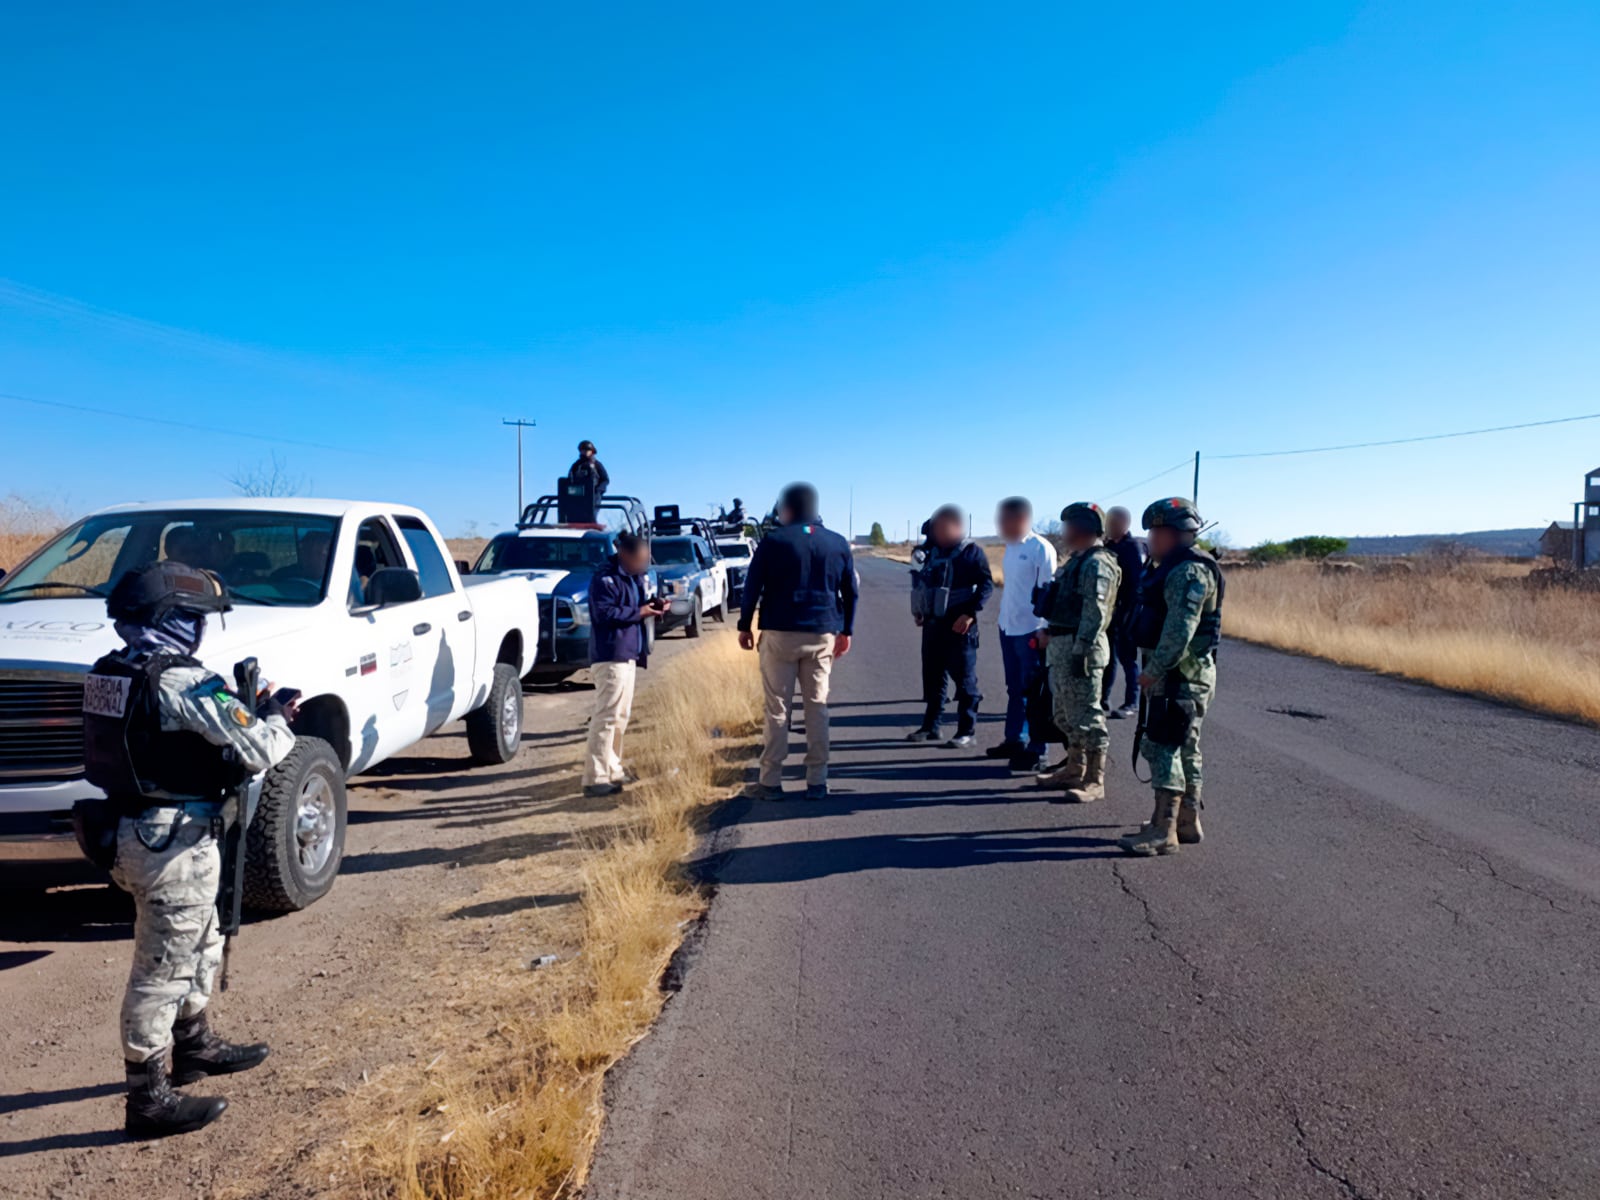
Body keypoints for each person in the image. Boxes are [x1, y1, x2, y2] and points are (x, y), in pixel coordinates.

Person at [80, 562, 297, 1138]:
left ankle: (194, 1044)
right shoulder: (182, 681)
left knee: (201, 940)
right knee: (161, 968)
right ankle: (147, 1101)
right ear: (170, 619)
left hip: (136, 831)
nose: (201, 630)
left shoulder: (111, 671)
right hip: (172, 843)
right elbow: (261, 746)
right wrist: (276, 715)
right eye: (195, 618)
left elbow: (156, 743)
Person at [1118, 497, 1224, 856]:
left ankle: (1164, 831)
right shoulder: (1174, 566)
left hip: (1179, 675)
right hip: (1185, 674)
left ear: (1173, 533)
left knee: (1163, 748)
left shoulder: (1188, 572)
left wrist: (1152, 671)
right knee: (1186, 748)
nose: (1150, 538)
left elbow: (1179, 631)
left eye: (1155, 531)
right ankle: (1185, 821)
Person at [738, 482, 857, 800]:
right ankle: (817, 781)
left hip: (779, 633)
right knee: (817, 707)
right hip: (821, 633)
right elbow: (851, 592)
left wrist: (744, 625)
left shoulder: (773, 541)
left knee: (777, 708)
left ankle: (771, 781)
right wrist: (847, 631)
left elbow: (752, 587)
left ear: (788, 509)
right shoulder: (837, 543)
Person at [1037, 502, 1121, 802]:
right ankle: (1074, 769)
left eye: (1068, 526)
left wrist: (1080, 651)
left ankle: (1094, 780)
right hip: (1062, 646)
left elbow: (1095, 614)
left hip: (1080, 650)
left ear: (1083, 527)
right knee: (1065, 715)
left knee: (1087, 716)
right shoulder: (1077, 560)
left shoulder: (1098, 563)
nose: (1064, 532)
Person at [584, 532, 670, 797]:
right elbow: (604, 613)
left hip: (629, 652)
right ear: (624, 555)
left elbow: (633, 605)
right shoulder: (604, 577)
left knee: (621, 716)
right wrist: (640, 612)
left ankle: (613, 769)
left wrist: (652, 606)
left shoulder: (632, 576)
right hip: (611, 655)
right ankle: (595, 777)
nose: (643, 565)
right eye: (639, 560)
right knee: (607, 716)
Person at [907, 504, 994, 749]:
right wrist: (919, 611)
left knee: (965, 681)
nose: (939, 532)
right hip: (933, 623)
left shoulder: (971, 552)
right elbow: (918, 583)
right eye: (936, 528)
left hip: (960, 625)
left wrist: (970, 613)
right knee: (933, 678)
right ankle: (931, 727)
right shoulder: (928, 552)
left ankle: (966, 731)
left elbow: (986, 585)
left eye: (944, 527)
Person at [988, 497, 1057, 773]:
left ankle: (1038, 750)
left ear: (1022, 519)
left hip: (1031, 630)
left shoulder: (1041, 548)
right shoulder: (1010, 547)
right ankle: (1014, 739)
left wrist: (1044, 628)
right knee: (1014, 689)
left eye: (1006, 520)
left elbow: (1048, 593)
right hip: (1008, 626)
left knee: (1035, 692)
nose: (1002, 525)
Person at [1100, 506, 1146, 719]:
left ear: (1124, 524)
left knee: (1128, 659)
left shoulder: (1132, 548)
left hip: (1127, 612)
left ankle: (1131, 702)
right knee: (1107, 658)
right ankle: (1103, 699)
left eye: (1113, 523)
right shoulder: (1108, 546)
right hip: (1108, 611)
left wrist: (1128, 615)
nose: (1109, 527)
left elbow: (1137, 586)